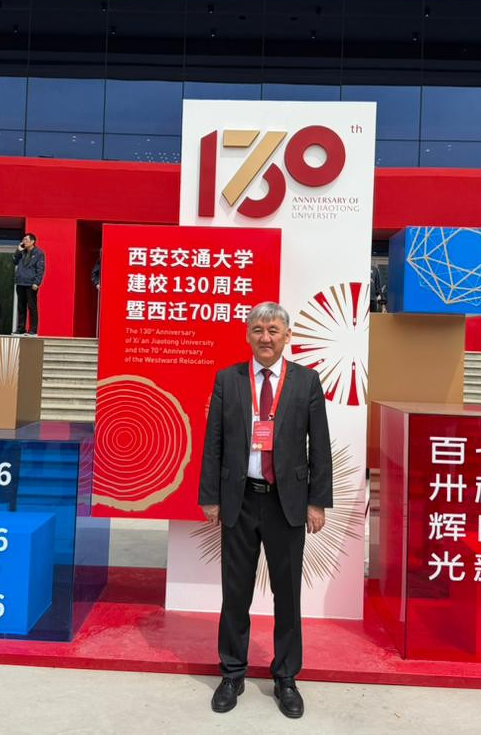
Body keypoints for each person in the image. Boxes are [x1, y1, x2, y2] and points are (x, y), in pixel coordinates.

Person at [199, 302, 333, 719]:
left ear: (287, 336)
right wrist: (210, 496)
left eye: (273, 330)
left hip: (285, 503)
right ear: (247, 335)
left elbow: (320, 444)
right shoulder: (229, 379)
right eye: (258, 330)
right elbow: (213, 442)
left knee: (287, 594)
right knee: (235, 592)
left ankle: (286, 677)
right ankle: (232, 673)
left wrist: (316, 500)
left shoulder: (307, 381)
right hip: (239, 500)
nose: (265, 337)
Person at [13, 233, 46, 336]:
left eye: (26, 240)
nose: (24, 242)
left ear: (32, 241)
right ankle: (21, 329)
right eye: (23, 240)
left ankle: (33, 330)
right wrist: (18, 251)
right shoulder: (22, 251)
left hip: (31, 284)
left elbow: (40, 269)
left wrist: (37, 282)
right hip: (20, 282)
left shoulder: (39, 253)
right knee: (21, 307)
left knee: (32, 307)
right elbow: (15, 261)